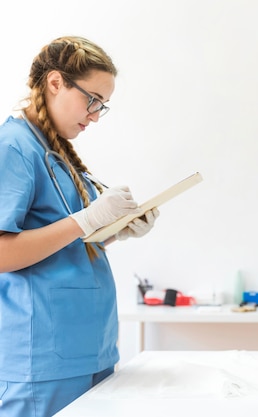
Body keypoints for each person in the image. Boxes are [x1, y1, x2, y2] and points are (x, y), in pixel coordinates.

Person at [0, 36, 160, 417]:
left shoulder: (57, 151)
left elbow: (66, 242)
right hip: (41, 358)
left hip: (89, 345)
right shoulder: (13, 146)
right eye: (92, 100)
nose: (93, 115)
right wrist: (86, 218)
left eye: (102, 107)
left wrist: (113, 229)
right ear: (55, 82)